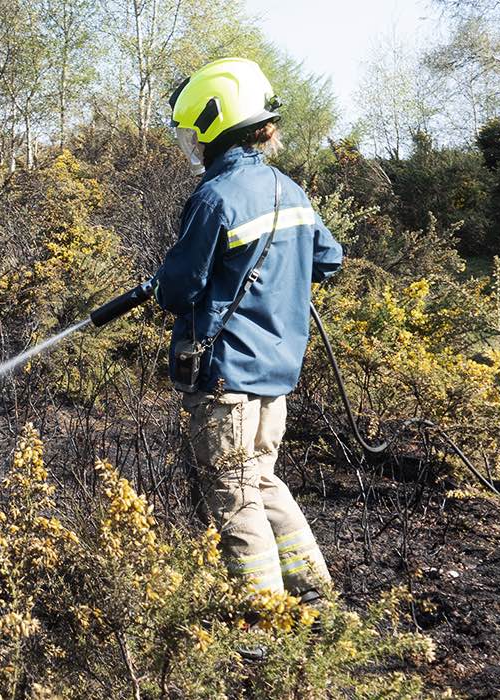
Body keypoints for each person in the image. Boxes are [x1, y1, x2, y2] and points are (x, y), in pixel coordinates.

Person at [153, 57, 343, 604]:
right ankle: (312, 590)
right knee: (260, 479)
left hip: (225, 377)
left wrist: (168, 278)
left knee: (233, 495)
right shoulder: (290, 190)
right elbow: (327, 260)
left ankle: (265, 619)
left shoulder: (216, 197)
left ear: (216, 126)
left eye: (193, 132)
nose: (190, 144)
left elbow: (178, 290)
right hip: (276, 376)